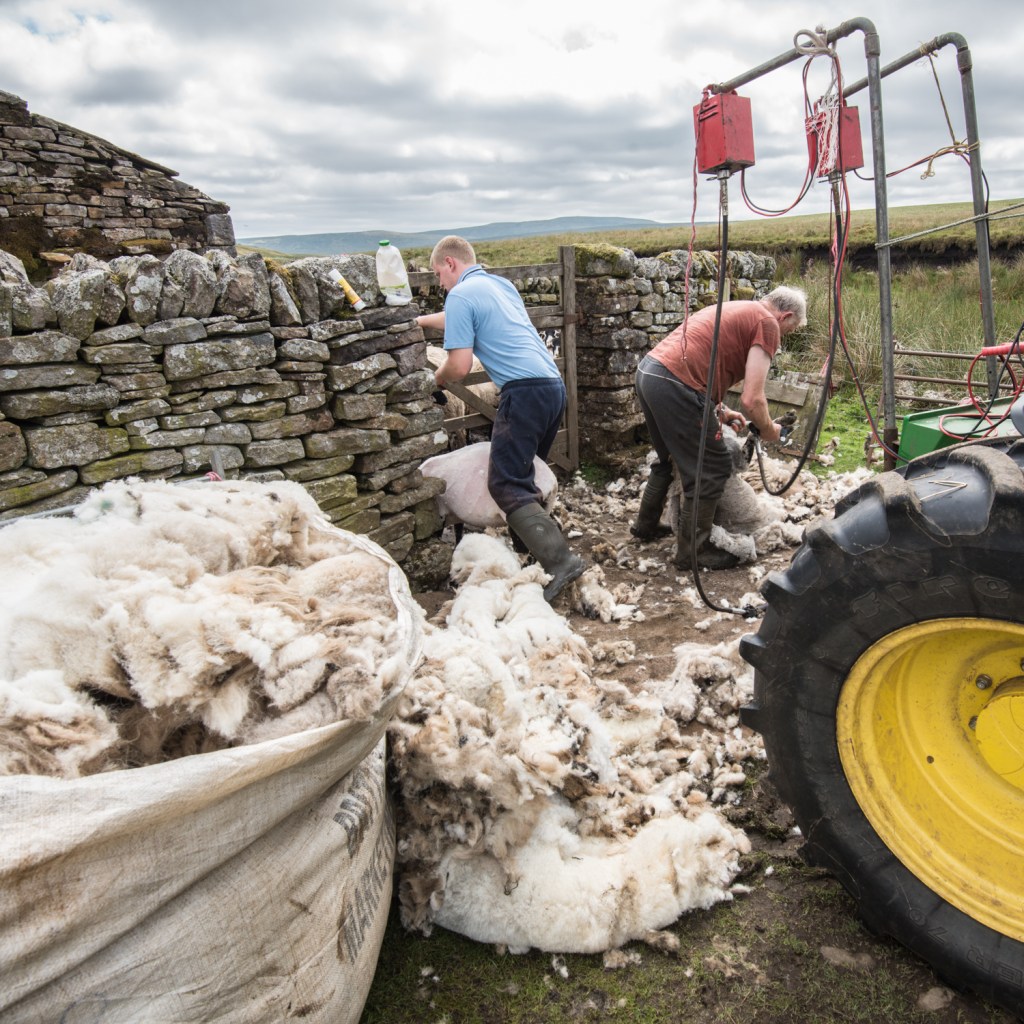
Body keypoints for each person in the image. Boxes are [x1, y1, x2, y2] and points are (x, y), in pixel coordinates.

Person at [416, 235, 585, 602]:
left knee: (507, 484)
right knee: (525, 477)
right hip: (551, 388)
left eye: (438, 276)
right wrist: (418, 322)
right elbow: (458, 317)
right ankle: (536, 562)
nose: (439, 284)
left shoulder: (460, 293)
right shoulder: (499, 285)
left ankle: (560, 562)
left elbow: (459, 366)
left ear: (449, 263)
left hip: (522, 393)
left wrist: (437, 379)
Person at [631, 285, 807, 569]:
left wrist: (720, 410)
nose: (784, 337)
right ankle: (695, 553)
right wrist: (769, 430)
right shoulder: (767, 323)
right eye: (790, 329)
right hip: (676, 383)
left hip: (651, 373)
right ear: (785, 316)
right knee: (710, 469)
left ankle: (645, 526)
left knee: (667, 459)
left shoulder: (738, 309)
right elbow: (753, 399)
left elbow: (702, 359)